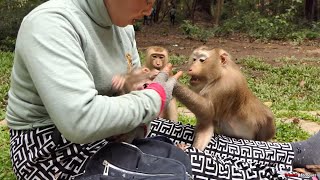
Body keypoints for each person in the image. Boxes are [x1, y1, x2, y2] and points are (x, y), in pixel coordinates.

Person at [6, 0, 319, 179]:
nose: (151, 7)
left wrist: (146, 94)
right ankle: (294, 175)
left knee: (193, 139)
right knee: (184, 165)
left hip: (114, 129)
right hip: (54, 153)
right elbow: (80, 121)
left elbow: (131, 96)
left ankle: (296, 153)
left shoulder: (123, 26)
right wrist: (156, 93)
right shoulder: (52, 25)